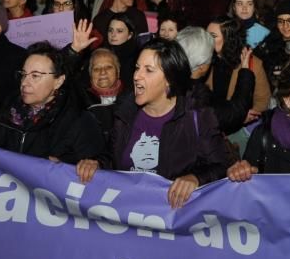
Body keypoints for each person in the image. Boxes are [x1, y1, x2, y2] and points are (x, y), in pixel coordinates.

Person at [76, 39, 230, 209]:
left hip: (169, 218)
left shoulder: (196, 116)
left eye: (148, 70)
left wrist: (195, 178)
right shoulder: (125, 111)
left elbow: (222, 166)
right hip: (127, 212)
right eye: (137, 68)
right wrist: (97, 163)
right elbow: (113, 157)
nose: (136, 76)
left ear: (169, 79)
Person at [0, 42, 104, 163]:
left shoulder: (78, 120)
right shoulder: (6, 113)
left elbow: (96, 168)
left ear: (58, 81)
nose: (24, 83)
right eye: (23, 75)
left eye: (35, 76)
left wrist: (63, 165)